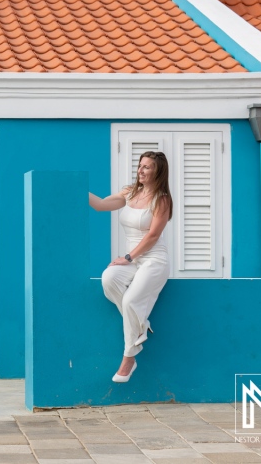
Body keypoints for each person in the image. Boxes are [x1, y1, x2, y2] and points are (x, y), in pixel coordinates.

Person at [88, 151, 173, 383]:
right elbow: (101, 205)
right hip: (132, 260)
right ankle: (141, 326)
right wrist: (76, 189)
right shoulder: (130, 192)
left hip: (154, 260)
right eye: (140, 166)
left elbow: (153, 235)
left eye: (147, 167)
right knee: (108, 278)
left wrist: (128, 256)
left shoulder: (162, 199)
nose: (141, 171)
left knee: (130, 301)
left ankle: (129, 358)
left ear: (158, 171)